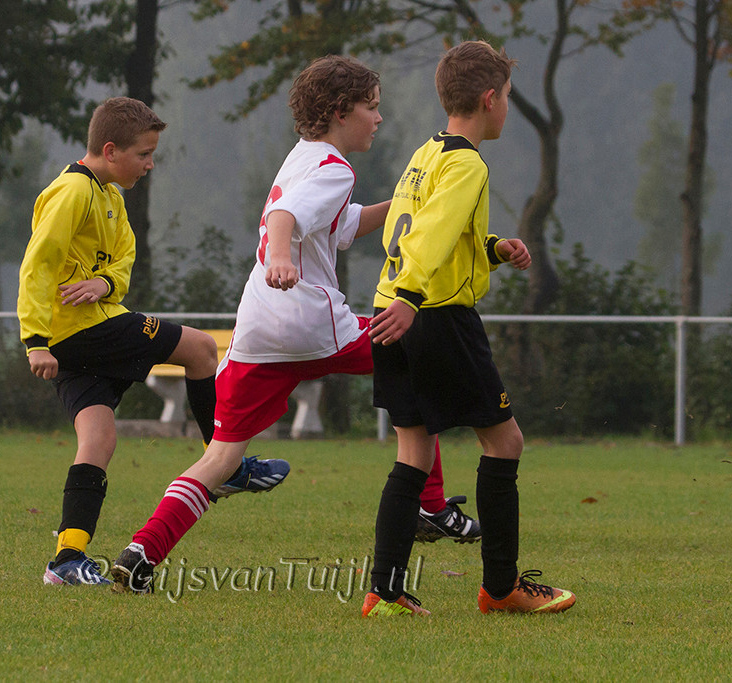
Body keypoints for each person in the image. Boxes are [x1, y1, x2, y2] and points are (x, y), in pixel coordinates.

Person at [110, 56, 477, 594]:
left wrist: (405, 204)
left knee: (220, 457)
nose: (379, 118)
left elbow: (341, 224)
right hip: (308, 322)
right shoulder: (335, 168)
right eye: (371, 107)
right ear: (339, 111)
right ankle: (430, 506)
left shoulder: (303, 157)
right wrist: (281, 256)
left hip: (259, 328)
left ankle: (141, 554)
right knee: (413, 354)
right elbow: (285, 219)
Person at [362, 40, 575, 617]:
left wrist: (491, 248)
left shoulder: (426, 153)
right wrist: (413, 297)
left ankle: (384, 593)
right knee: (504, 442)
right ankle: (502, 587)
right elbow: (431, 235)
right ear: (489, 99)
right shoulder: (468, 164)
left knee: (413, 453)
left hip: (390, 308)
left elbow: (414, 230)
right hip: (433, 314)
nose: (506, 107)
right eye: (505, 96)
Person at [17, 97, 266, 587]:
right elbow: (37, 265)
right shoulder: (72, 192)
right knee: (201, 349)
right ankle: (224, 464)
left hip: (83, 332)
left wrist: (104, 282)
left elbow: (123, 261)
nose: (150, 164)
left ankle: (67, 559)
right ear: (111, 150)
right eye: (144, 154)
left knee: (98, 440)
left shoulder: (110, 196)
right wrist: (35, 340)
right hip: (81, 329)